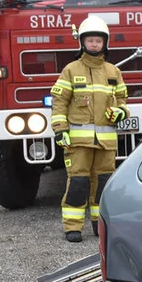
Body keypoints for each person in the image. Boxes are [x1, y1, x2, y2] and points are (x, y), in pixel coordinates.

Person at [49, 16, 129, 242]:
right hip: (78, 143)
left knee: (103, 183)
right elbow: (60, 102)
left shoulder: (113, 72)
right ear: (82, 43)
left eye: (98, 40)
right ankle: (72, 227)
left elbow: (123, 100)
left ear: (105, 43)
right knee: (78, 182)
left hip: (106, 143)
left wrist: (121, 112)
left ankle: (99, 225)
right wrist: (59, 128)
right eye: (90, 40)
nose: (94, 44)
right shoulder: (71, 70)